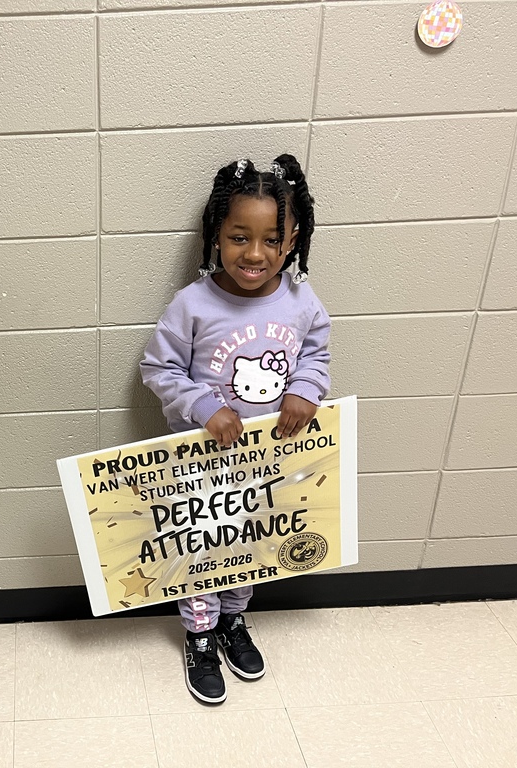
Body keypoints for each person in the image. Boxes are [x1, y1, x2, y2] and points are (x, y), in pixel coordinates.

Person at [140, 155, 330, 704]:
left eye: (272, 239)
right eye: (239, 237)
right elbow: (158, 368)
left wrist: (305, 391)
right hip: (201, 463)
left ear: (293, 239)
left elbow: (316, 356)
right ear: (216, 236)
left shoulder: (302, 301)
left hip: (266, 462)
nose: (255, 253)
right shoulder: (192, 304)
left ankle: (232, 621)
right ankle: (199, 635)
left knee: (248, 546)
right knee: (205, 548)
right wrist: (203, 406)